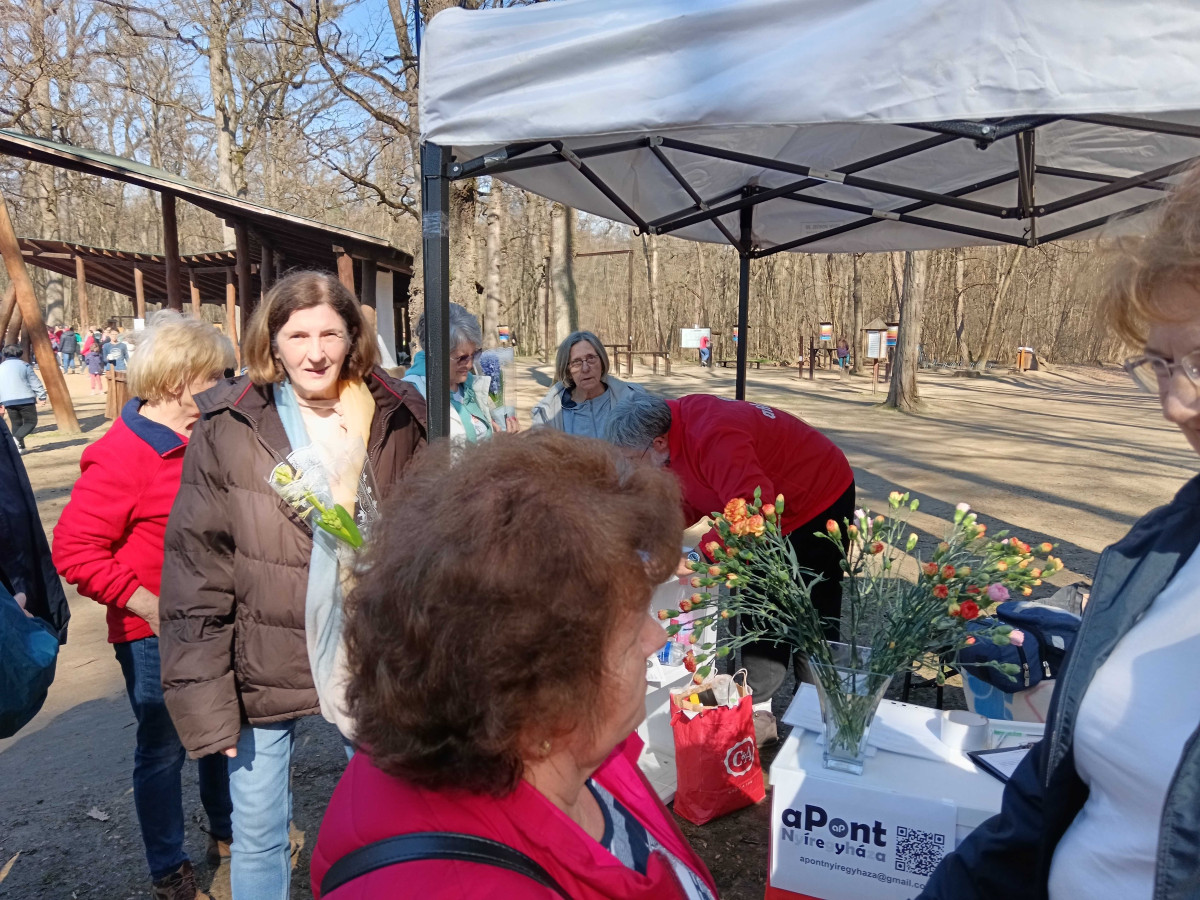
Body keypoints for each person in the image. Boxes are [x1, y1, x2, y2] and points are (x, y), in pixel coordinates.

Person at [919, 163, 1200, 900]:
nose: (1176, 404)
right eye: (1163, 363)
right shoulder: (1161, 553)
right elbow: (1045, 799)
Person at [310, 429, 718, 900]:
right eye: (630, 631)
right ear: (542, 687)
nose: (656, 637)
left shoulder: (572, 752)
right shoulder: (463, 887)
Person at [159, 270, 428, 900]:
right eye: (298, 335)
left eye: (330, 334)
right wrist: (206, 702)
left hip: (370, 650)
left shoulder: (394, 413)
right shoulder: (231, 422)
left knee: (391, 817)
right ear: (272, 340)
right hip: (261, 658)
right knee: (258, 831)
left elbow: (427, 539)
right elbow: (198, 567)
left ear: (353, 336)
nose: (315, 353)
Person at [52, 312, 236, 900]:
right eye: (216, 375)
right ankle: (169, 870)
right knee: (163, 750)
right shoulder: (122, 455)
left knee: (220, 728)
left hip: (212, 621)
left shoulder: (208, 434)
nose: (225, 385)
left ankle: (227, 832)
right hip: (154, 634)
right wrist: (149, 607)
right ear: (178, 381)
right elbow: (74, 549)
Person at [606, 393, 855, 706]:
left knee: (813, 609)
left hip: (817, 497)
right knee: (760, 603)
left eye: (631, 459)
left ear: (657, 443)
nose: (632, 468)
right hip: (768, 505)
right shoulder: (667, 441)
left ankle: (818, 706)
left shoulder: (713, 436)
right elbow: (689, 499)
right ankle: (759, 704)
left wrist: (698, 558)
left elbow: (751, 507)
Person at [402, 302, 516, 440]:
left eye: (474, 354)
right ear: (436, 354)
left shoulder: (470, 386)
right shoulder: (413, 396)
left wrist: (499, 437)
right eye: (461, 358)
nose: (469, 365)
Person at [531, 331, 645, 438]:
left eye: (591, 358)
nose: (585, 368)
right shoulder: (549, 412)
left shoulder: (634, 401)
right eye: (576, 362)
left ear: (602, 362)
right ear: (567, 371)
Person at [0, 345, 47, 454]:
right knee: (31, 422)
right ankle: (16, 439)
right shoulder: (24, 365)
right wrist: (42, 396)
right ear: (20, 353)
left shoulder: (1, 367)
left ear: (4, 354)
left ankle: (20, 448)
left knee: (16, 423)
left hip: (8, 400)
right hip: (26, 399)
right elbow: (34, 381)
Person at [84, 329, 106, 394]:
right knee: (99, 380)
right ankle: (101, 390)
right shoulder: (99, 355)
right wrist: (101, 367)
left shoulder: (88, 355)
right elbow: (101, 361)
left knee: (92, 380)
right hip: (98, 369)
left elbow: (86, 361)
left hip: (91, 369)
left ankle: (93, 390)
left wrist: (88, 364)